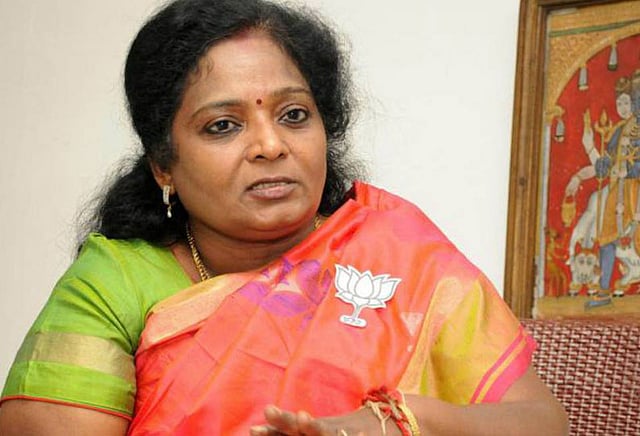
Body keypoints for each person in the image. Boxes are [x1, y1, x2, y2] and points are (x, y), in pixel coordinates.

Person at [0, 0, 568, 434]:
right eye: (223, 125)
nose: (271, 145)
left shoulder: (397, 255)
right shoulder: (114, 282)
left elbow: (542, 424)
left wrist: (392, 423)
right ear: (163, 165)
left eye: (294, 114)